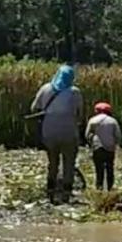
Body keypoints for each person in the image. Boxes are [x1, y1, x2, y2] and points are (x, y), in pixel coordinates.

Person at [30, 64, 84, 204]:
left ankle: (51, 191)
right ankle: (66, 193)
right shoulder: (74, 92)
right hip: (69, 132)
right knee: (69, 162)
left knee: (52, 161)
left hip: (49, 132)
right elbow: (79, 113)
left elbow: (34, 107)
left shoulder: (46, 88)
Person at [85, 101, 122, 191]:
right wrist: (115, 144)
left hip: (97, 147)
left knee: (99, 169)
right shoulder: (113, 121)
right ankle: (109, 187)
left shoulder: (93, 120)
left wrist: (91, 143)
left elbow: (87, 135)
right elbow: (118, 136)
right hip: (110, 148)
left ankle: (99, 187)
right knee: (110, 168)